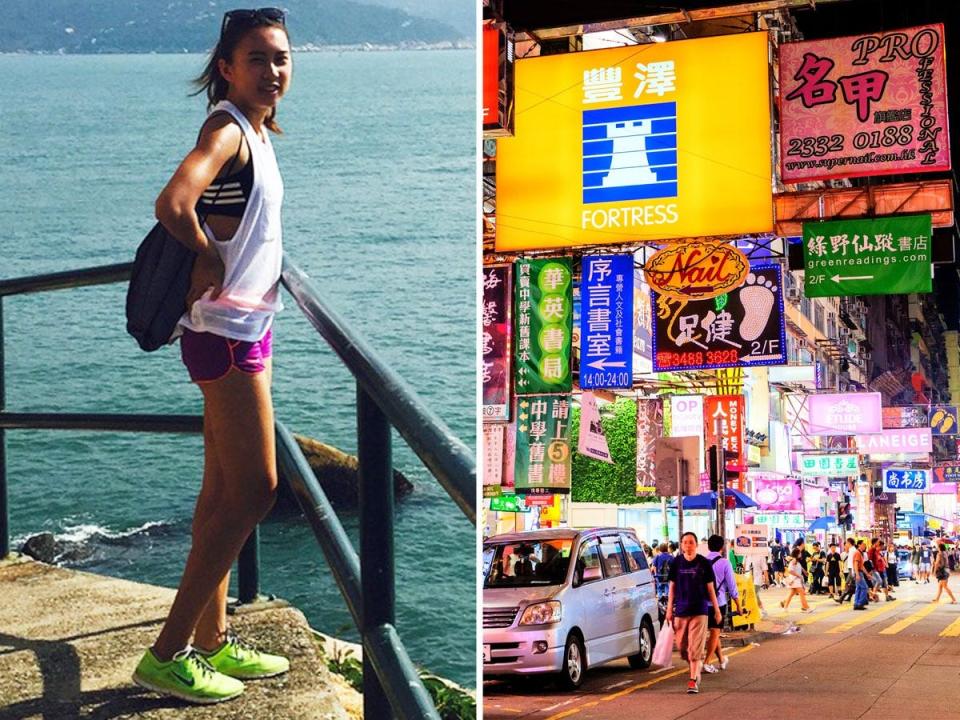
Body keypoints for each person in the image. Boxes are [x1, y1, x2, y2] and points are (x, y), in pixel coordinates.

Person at [132, 7, 292, 704]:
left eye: (281, 58)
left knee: (219, 493)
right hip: (224, 334)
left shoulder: (256, 130)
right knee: (256, 490)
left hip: (244, 325)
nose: (273, 70)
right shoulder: (228, 129)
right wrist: (203, 254)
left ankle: (211, 640)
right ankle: (167, 654)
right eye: (256, 58)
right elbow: (174, 202)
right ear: (225, 67)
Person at [664, 532, 723, 695]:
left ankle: (693, 680)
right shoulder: (676, 563)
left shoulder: (704, 563)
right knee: (683, 647)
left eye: (691, 542)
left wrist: (717, 610)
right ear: (681, 545)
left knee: (694, 647)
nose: (688, 545)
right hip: (681, 610)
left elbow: (711, 588)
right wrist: (669, 609)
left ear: (696, 544)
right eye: (685, 542)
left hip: (700, 609)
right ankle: (694, 670)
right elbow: (672, 588)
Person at [703, 535, 741, 674]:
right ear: (721, 547)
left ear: (708, 546)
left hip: (702, 603)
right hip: (719, 603)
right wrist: (738, 605)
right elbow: (732, 586)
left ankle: (721, 659)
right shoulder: (725, 563)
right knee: (714, 632)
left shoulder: (701, 561)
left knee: (714, 633)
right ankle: (706, 662)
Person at [853, 540, 870, 609]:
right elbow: (856, 564)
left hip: (859, 572)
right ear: (859, 545)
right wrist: (857, 574)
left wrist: (867, 574)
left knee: (859, 588)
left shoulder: (860, 553)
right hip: (858, 572)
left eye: (865, 545)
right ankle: (860, 603)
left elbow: (862, 566)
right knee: (864, 587)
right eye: (863, 544)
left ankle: (856, 604)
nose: (864, 546)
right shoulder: (857, 553)